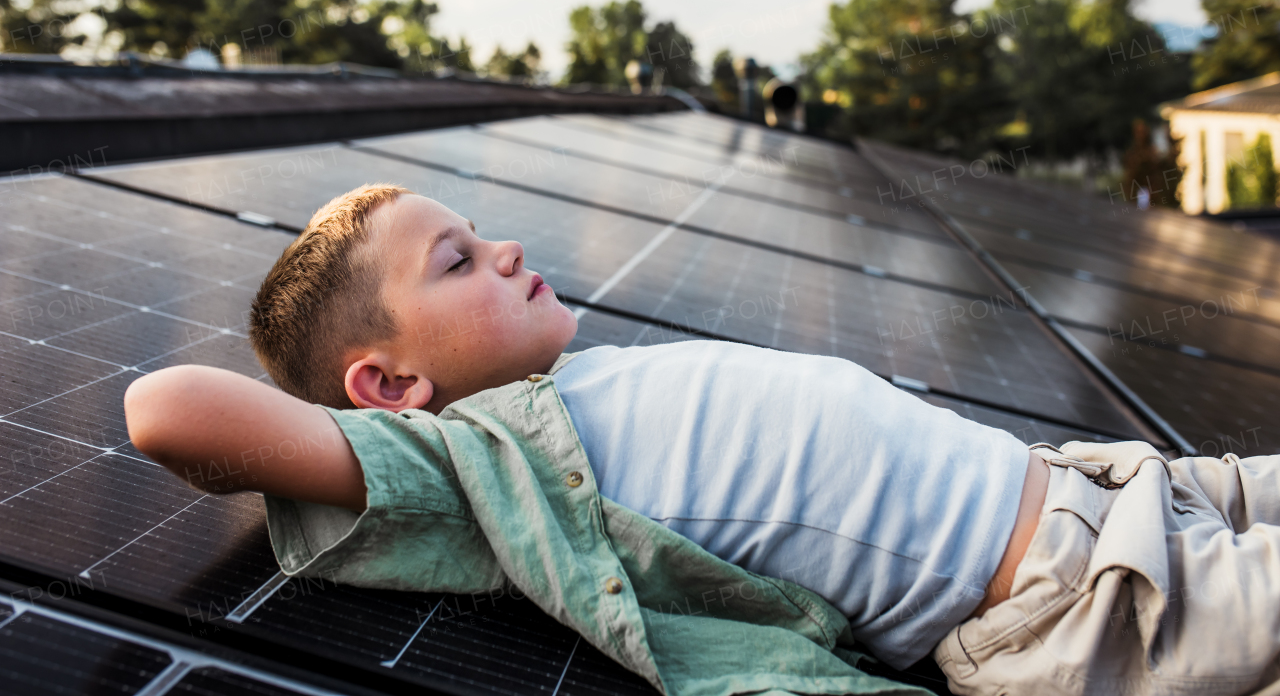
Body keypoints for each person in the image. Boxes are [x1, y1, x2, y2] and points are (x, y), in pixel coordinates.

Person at [124, 184, 1280, 696]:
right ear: (390, 384)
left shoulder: (588, 377)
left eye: (480, 233)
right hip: (1083, 600)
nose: (507, 251)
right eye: (457, 263)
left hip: (1125, 490)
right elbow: (165, 410)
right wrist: (350, 434)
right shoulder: (486, 458)